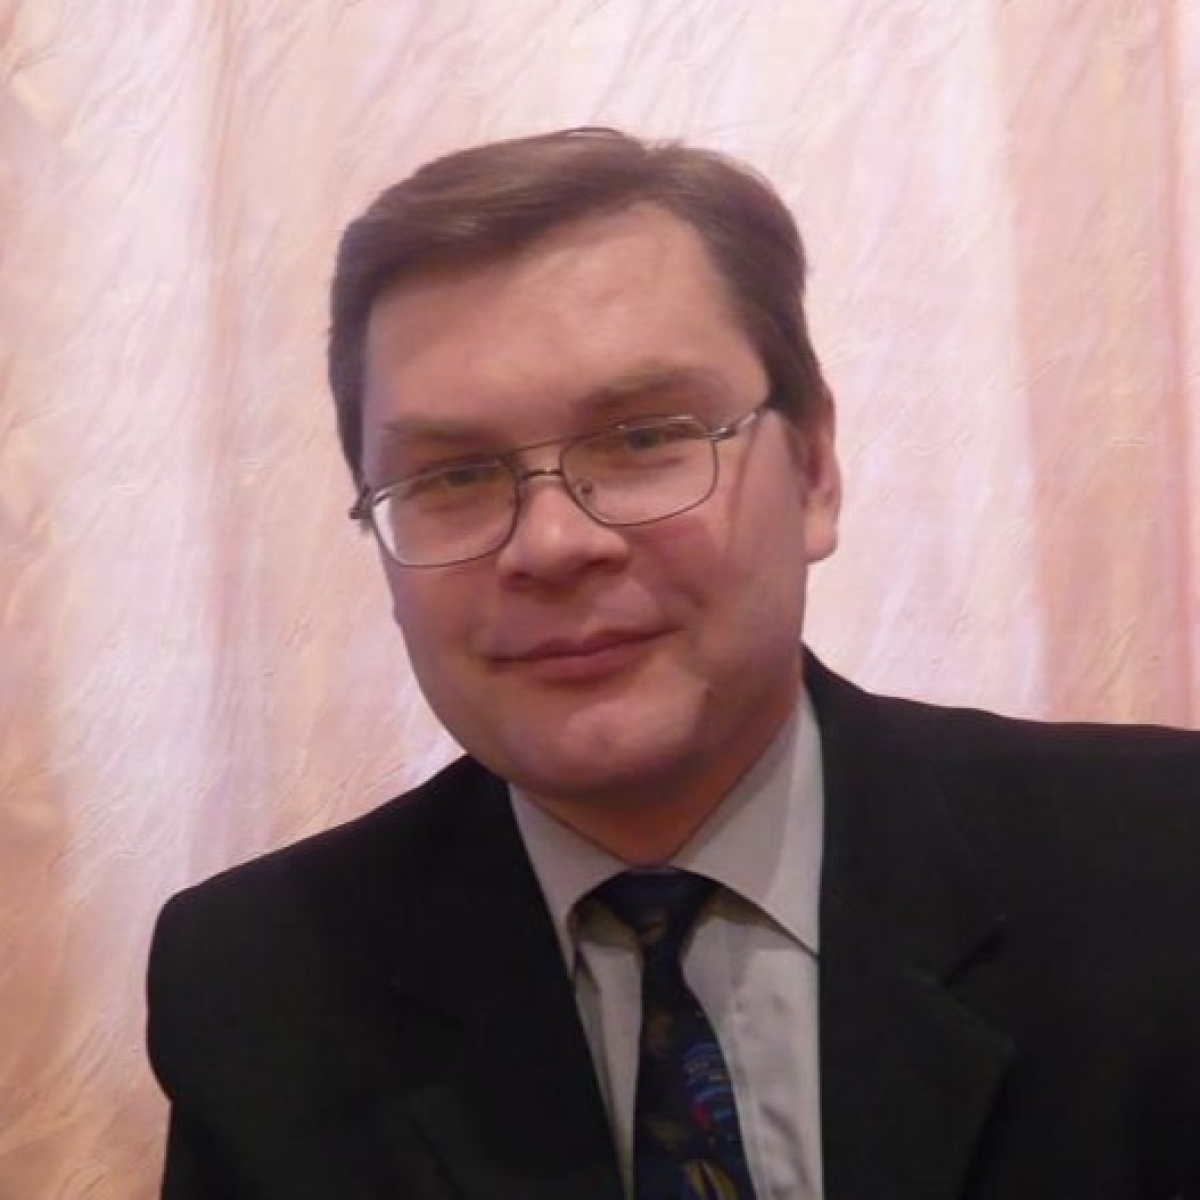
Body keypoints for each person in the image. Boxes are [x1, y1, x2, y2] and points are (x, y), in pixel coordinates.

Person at [147, 127, 1200, 1200]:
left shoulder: (1161, 865)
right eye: (453, 477)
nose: (553, 544)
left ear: (815, 470)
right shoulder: (261, 985)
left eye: (645, 438)